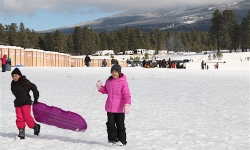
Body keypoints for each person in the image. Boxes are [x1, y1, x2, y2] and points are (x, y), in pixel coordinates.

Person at [96, 64, 131, 146]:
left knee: (120, 125)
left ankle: (122, 140)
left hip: (119, 108)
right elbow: (106, 90)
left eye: (116, 71)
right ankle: (112, 140)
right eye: (112, 72)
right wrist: (100, 87)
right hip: (110, 108)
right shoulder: (109, 81)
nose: (114, 73)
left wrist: (127, 104)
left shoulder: (123, 82)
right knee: (110, 124)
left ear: (119, 72)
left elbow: (127, 94)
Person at [11, 68, 41, 139]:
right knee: (19, 118)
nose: (14, 77)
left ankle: (35, 126)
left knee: (27, 117)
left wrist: (36, 97)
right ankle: (21, 131)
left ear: (19, 75)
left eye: (16, 75)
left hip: (26, 102)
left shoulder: (24, 81)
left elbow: (33, 87)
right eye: (13, 76)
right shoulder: (13, 83)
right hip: (18, 103)